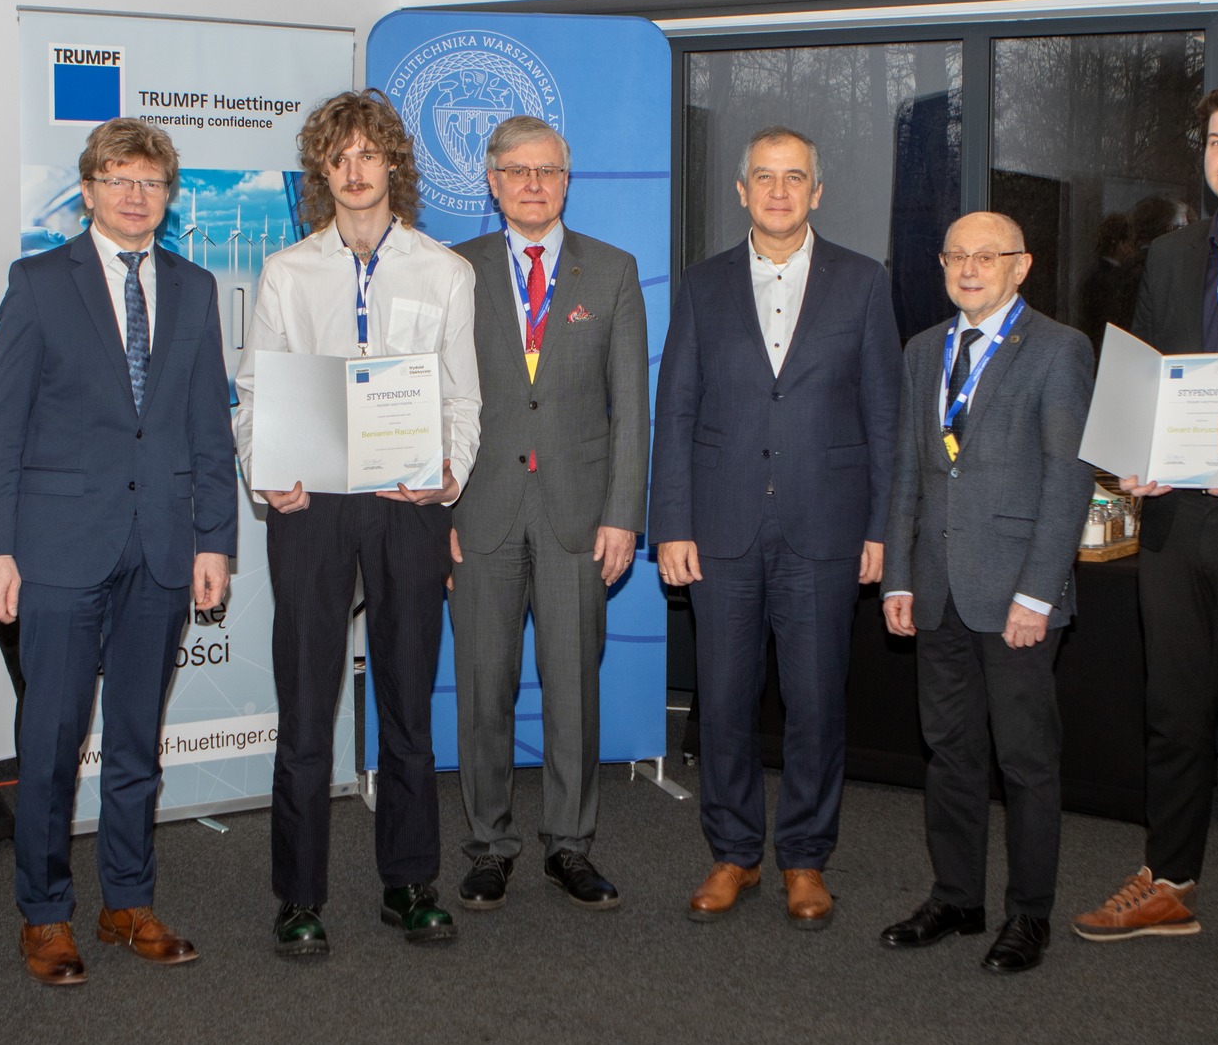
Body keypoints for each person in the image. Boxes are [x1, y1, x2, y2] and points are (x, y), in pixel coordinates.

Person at [0, 118, 236, 986]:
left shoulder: (194, 287)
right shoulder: (38, 282)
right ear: (87, 190)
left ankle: (128, 899)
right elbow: (2, 429)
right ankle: (45, 912)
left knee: (135, 740)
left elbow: (208, 425)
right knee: (50, 742)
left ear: (169, 195)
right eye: (118, 179)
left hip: (161, 545)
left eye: (150, 181)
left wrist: (215, 539)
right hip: (55, 549)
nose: (135, 195)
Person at [1071, 80, 1218, 982]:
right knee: (1172, 717)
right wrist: (1134, 454)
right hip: (1175, 519)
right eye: (1217, 140)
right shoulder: (1171, 256)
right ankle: (1169, 882)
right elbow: (1149, 372)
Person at [233, 88, 480, 956]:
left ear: (393, 165)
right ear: (322, 171)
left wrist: (449, 475)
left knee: (406, 700)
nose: (355, 169)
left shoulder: (444, 271)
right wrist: (267, 471)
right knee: (306, 706)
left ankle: (410, 883)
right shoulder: (288, 272)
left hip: (407, 504)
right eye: (339, 156)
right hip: (312, 504)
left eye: (369, 153)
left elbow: (462, 397)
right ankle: (298, 895)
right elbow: (255, 394)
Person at [650, 126, 900, 930]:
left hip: (825, 528)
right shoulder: (703, 285)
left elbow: (884, 416)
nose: (780, 190)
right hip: (719, 527)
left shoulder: (864, 282)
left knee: (816, 702)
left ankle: (804, 857)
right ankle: (733, 852)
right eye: (765, 176)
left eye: (795, 177)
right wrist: (671, 523)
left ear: (817, 191)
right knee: (723, 700)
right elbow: (675, 410)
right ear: (742, 190)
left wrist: (881, 528)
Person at [881, 211, 1094, 975]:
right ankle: (956, 897)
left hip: (1016, 595)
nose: (969, 268)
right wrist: (899, 574)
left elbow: (1069, 478)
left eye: (987, 256)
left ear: (1021, 265)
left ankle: (1028, 913)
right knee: (950, 751)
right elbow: (909, 470)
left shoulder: (1060, 349)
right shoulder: (922, 349)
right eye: (956, 256)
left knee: (1026, 760)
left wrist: (1039, 592)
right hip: (937, 586)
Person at [447, 115, 649, 912]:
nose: (534, 184)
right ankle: (489, 846)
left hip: (579, 517)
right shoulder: (453, 270)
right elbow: (428, 400)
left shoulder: (614, 271)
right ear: (492, 181)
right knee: (482, 688)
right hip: (478, 514)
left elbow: (630, 406)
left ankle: (570, 844)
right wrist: (434, 516)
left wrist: (623, 513)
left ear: (568, 181)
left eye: (549, 171)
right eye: (518, 170)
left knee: (573, 689)